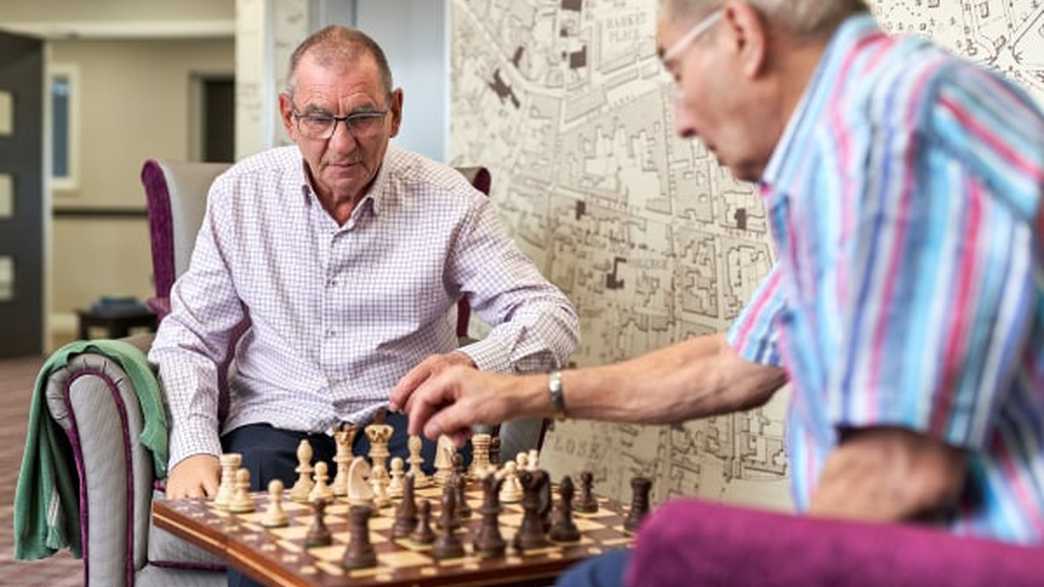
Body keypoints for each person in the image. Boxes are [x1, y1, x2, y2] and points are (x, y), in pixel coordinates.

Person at [393, 0, 1044, 584]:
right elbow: (736, 361)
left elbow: (896, 471)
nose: (680, 120)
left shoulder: (889, 134)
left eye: (677, 73)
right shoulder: (845, 145)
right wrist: (519, 392)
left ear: (741, 32)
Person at [153, 25, 579, 510]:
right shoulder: (239, 195)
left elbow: (552, 315)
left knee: (418, 543)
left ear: (394, 112)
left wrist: (473, 362)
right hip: (272, 421)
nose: (341, 144)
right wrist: (193, 444)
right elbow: (189, 336)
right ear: (288, 117)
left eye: (361, 117)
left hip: (403, 422)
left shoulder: (452, 202)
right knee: (256, 522)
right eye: (318, 118)